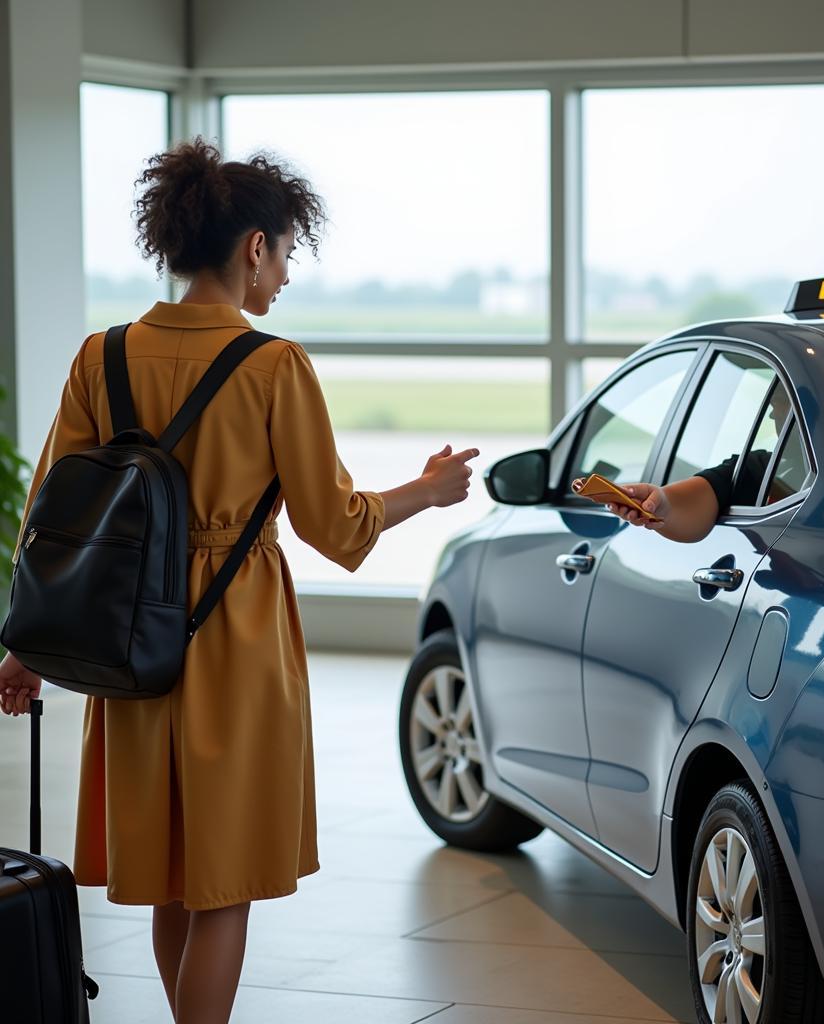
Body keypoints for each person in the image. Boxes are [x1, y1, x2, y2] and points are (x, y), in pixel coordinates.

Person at [0, 139, 478, 1024]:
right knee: (223, 883)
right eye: (288, 253)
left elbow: (48, 524)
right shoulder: (273, 366)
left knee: (176, 885)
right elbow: (333, 527)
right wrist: (427, 490)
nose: (286, 277)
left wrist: (25, 648)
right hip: (235, 642)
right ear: (254, 246)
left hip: (125, 640)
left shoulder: (99, 357)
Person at [604, 382, 793, 540]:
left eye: (779, 401)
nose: (771, 414)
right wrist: (659, 504)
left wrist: (661, 505)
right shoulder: (759, 470)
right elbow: (703, 494)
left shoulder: (763, 472)